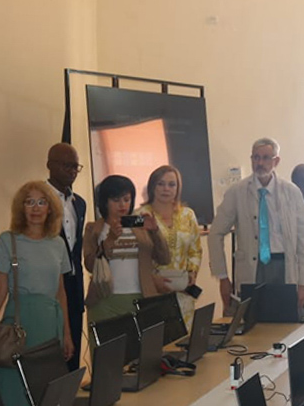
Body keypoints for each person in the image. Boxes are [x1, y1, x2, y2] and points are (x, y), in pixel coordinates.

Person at [0, 181, 74, 406]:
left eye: (42, 202)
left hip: (50, 323)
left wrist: (68, 333)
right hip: (20, 323)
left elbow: (60, 291)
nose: (36, 208)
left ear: (50, 208)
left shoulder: (58, 243)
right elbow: (0, 286)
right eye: (29, 202)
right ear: (21, 208)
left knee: (47, 388)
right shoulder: (7, 240)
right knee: (14, 388)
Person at [209, 138, 304, 314]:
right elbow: (215, 234)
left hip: (283, 266)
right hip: (251, 267)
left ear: (276, 161)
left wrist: (303, 283)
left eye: (265, 158)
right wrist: (222, 276)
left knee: (283, 321)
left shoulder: (292, 192)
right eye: (256, 158)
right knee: (251, 320)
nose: (260, 163)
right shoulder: (237, 192)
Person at [84, 175, 170, 325]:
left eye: (126, 199)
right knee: (108, 349)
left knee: (141, 347)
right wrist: (109, 240)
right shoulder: (94, 228)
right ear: (104, 202)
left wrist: (155, 231)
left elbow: (164, 258)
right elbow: (90, 265)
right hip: (104, 302)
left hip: (141, 298)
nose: (122, 205)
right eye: (115, 200)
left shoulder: (140, 224)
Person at [138, 165, 203, 326]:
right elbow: (138, 256)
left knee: (183, 343)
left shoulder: (188, 215)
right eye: (160, 184)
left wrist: (192, 273)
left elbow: (195, 250)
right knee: (158, 342)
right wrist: (153, 280)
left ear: (178, 188)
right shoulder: (140, 215)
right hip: (153, 290)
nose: (166, 189)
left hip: (183, 289)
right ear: (152, 186)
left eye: (171, 184)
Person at [43, 143, 87, 372]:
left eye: (75, 167)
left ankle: (69, 400)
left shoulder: (79, 203)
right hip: (48, 286)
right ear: (50, 165)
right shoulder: (37, 199)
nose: (72, 171)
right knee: (49, 352)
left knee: (73, 349)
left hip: (73, 284)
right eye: (66, 165)